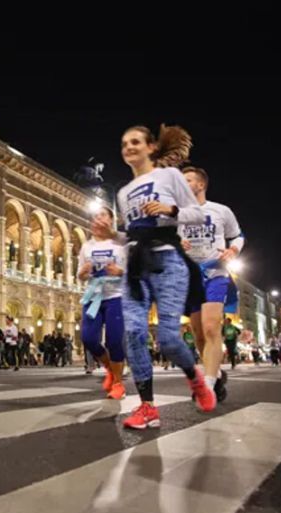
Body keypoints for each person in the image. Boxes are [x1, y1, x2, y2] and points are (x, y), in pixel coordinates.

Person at [115, 124, 215, 430]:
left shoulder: (169, 176)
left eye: (135, 142)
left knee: (169, 338)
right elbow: (129, 234)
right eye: (124, 144)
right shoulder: (122, 193)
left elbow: (196, 214)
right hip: (135, 265)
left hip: (167, 259)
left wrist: (170, 209)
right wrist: (112, 238)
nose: (129, 147)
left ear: (150, 147)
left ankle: (194, 378)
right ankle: (147, 407)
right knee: (132, 333)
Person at [180, 166, 244, 401]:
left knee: (210, 328)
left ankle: (206, 386)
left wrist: (233, 249)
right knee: (198, 335)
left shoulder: (220, 211)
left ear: (200, 185)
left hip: (215, 272)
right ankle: (216, 374)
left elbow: (238, 235)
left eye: (187, 180)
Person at [78, 204, 128, 399]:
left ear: (111, 220)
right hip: (93, 296)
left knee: (114, 340)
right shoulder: (87, 246)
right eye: (95, 216)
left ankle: (118, 383)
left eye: (103, 215)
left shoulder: (121, 242)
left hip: (116, 296)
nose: (98, 219)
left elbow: (135, 268)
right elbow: (80, 274)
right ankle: (110, 369)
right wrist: (83, 272)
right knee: (88, 338)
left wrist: (121, 271)